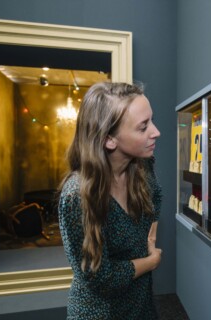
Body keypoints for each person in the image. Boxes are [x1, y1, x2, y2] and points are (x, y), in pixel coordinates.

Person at [58, 82, 162, 319]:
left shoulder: (144, 165)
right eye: (143, 127)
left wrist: (151, 238)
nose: (156, 132)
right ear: (109, 140)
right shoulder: (76, 196)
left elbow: (157, 196)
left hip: (142, 303)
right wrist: (151, 261)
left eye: (151, 121)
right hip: (101, 312)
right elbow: (100, 277)